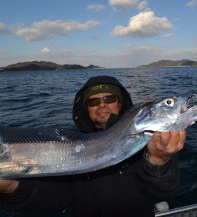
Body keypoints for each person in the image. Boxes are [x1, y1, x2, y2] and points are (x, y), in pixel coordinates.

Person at [0, 75, 186, 217]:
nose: (102, 105)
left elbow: (163, 191)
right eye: (94, 101)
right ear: (86, 108)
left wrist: (158, 161)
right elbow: (55, 200)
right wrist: (11, 187)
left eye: (109, 99)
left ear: (120, 103)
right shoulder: (68, 147)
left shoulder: (151, 144)